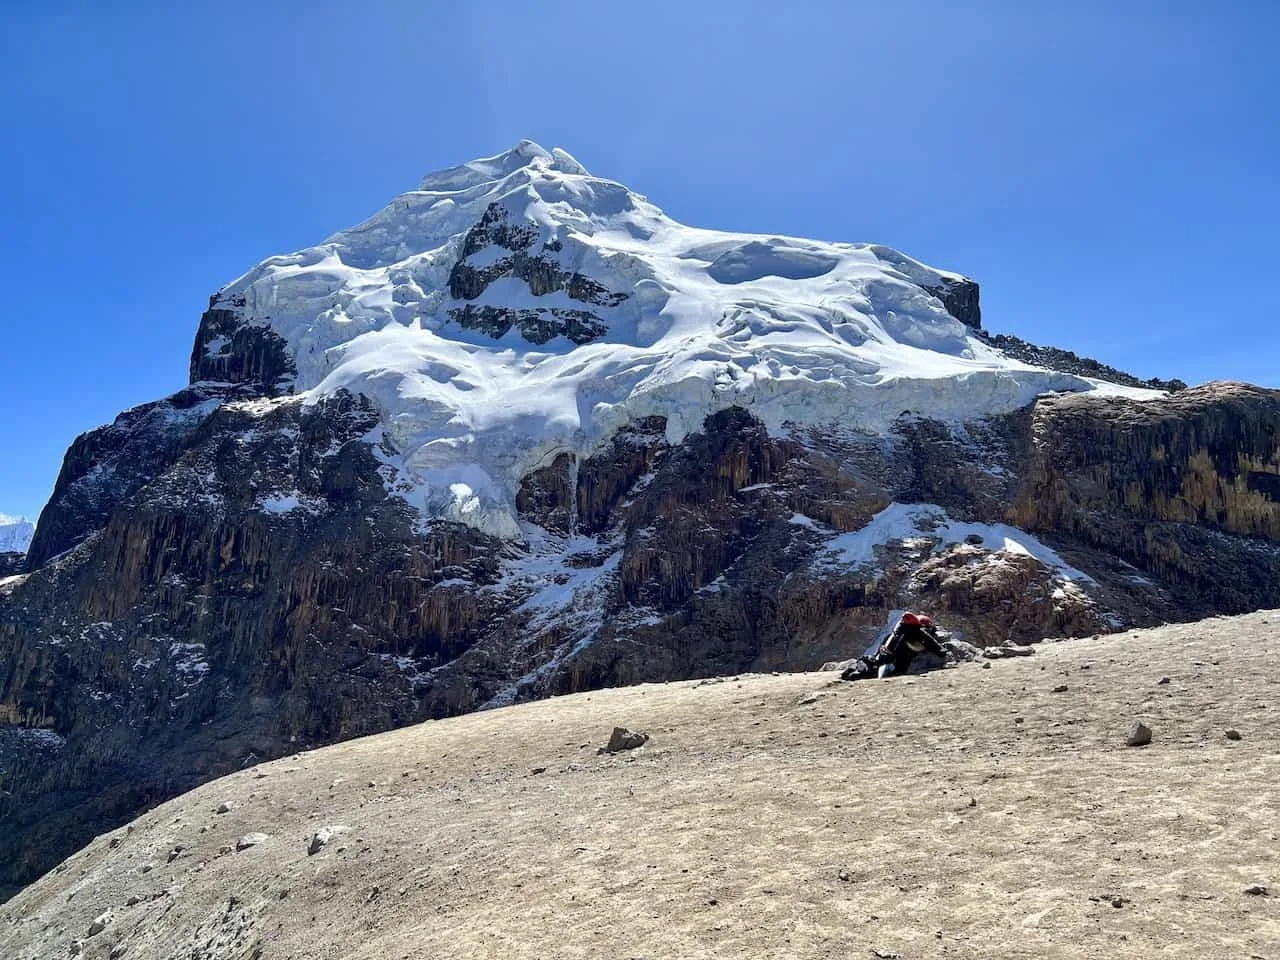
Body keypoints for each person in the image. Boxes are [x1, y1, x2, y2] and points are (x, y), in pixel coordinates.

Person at [843, 612, 950, 680]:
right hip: (898, 666)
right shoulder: (919, 634)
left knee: (871, 667)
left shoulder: (896, 634)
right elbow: (934, 646)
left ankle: (862, 670)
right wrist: (941, 651)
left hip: (887, 660)